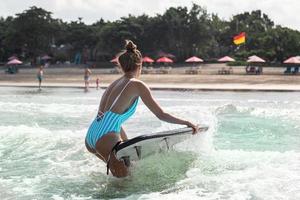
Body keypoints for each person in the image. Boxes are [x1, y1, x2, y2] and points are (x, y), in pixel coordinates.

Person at [85, 40, 199, 178]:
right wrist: (186, 122)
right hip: (106, 136)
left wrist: (126, 143)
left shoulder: (114, 84)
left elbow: (110, 119)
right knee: (125, 184)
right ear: (140, 65)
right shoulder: (138, 85)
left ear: (121, 65)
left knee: (126, 175)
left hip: (92, 134)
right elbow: (161, 114)